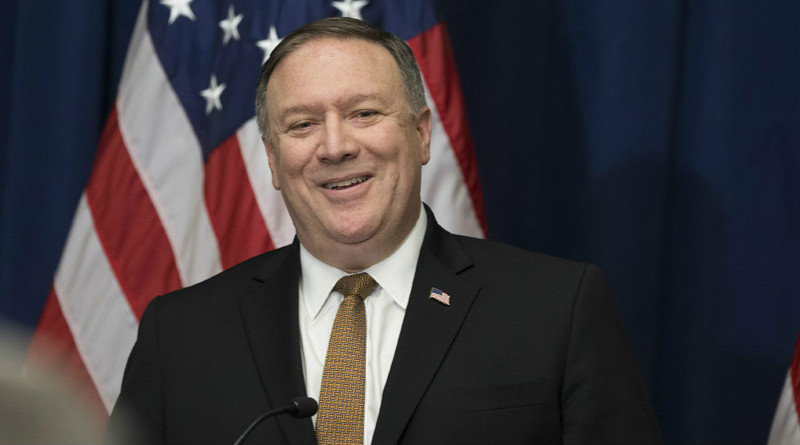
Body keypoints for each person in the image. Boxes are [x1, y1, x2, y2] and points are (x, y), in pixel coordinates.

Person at [108, 17, 661, 444]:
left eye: (365, 114)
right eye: (302, 124)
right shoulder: (179, 335)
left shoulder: (557, 310)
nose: (335, 146)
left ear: (421, 135)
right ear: (273, 161)